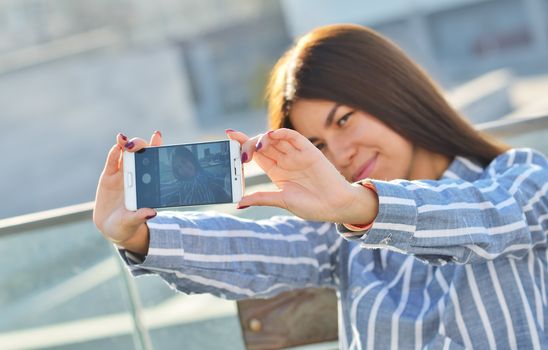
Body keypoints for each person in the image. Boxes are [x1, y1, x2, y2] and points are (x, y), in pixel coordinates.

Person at [93, 24, 548, 349]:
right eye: (318, 145)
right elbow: (257, 247)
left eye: (344, 119)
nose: (342, 153)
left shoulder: (521, 178)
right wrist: (139, 235)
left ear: (392, 92)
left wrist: (359, 204)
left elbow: (492, 217)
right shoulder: (344, 239)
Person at [161, 146, 230, 206]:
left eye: (184, 162)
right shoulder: (180, 184)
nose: (183, 169)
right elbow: (166, 187)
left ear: (191, 159)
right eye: (178, 167)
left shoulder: (207, 176)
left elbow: (221, 180)